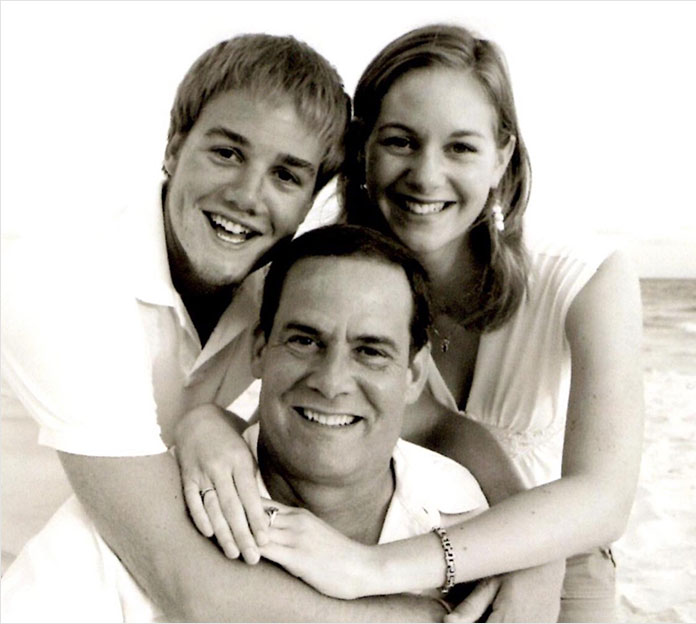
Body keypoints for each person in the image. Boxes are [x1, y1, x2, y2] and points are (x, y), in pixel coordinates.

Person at [175, 23, 644, 623]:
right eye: (400, 141)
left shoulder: (583, 279)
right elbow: (298, 397)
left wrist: (380, 570)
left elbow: (604, 498)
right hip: (374, 535)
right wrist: (205, 423)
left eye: (460, 148)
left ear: (502, 156)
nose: (426, 175)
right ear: (362, 150)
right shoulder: (325, 276)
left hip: (546, 549)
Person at [0, 33, 456, 622]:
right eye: (227, 153)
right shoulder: (64, 280)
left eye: (286, 175)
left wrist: (535, 563)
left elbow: (438, 426)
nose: (246, 196)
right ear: (173, 147)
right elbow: (187, 586)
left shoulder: (275, 294)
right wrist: (427, 617)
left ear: (310, 201)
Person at [2, 225, 496, 622]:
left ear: (413, 375)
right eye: (305, 341)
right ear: (260, 350)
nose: (332, 383)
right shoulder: (139, 523)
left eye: (370, 351)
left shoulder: (460, 508)